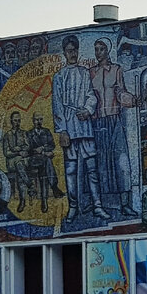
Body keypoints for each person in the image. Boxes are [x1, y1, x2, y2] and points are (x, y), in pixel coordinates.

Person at [52, 35, 109, 225]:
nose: (72, 54)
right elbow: (57, 105)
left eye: (75, 50)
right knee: (70, 170)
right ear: (64, 53)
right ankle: (73, 207)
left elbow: (91, 95)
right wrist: (62, 130)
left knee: (91, 168)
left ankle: (97, 205)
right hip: (69, 125)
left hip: (84, 126)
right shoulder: (59, 76)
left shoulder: (84, 73)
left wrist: (87, 109)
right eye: (69, 51)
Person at [89, 38, 138, 218]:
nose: (98, 52)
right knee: (101, 164)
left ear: (108, 51)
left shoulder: (116, 69)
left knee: (121, 161)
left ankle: (125, 204)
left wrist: (130, 99)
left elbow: (120, 91)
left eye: (101, 49)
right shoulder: (91, 72)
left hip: (114, 119)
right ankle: (100, 204)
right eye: (96, 49)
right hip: (97, 122)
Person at [26, 112, 63, 213]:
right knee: (47, 160)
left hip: (44, 160)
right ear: (33, 121)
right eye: (36, 120)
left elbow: (52, 145)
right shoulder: (29, 134)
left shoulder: (46, 131)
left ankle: (44, 202)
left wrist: (42, 149)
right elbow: (28, 150)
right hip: (33, 160)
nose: (38, 122)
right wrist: (44, 152)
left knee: (44, 171)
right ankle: (54, 187)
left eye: (40, 119)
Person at [1, 111, 31, 211]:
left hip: (23, 161)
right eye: (15, 121)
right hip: (11, 162)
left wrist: (20, 149)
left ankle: (23, 202)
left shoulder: (23, 133)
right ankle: (29, 185)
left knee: (20, 168)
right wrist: (18, 152)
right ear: (11, 121)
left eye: (19, 121)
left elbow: (28, 146)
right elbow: (6, 153)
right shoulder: (7, 135)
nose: (17, 123)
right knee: (18, 163)